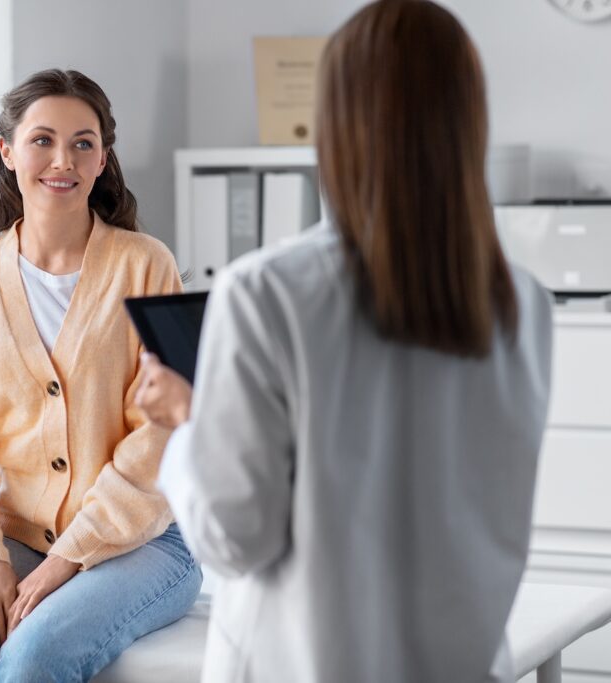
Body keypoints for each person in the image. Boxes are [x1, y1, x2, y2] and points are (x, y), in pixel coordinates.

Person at [136, 1, 553, 681]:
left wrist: (189, 419)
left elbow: (235, 538)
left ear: (337, 122)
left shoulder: (267, 292)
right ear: (468, 122)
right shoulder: (523, 303)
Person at [0, 69, 201, 683]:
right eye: (42, 140)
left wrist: (66, 559)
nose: (63, 160)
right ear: (8, 152)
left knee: (35, 657)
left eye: (83, 143)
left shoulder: (146, 264)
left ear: (103, 159)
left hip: (140, 541)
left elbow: (158, 436)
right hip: (11, 533)